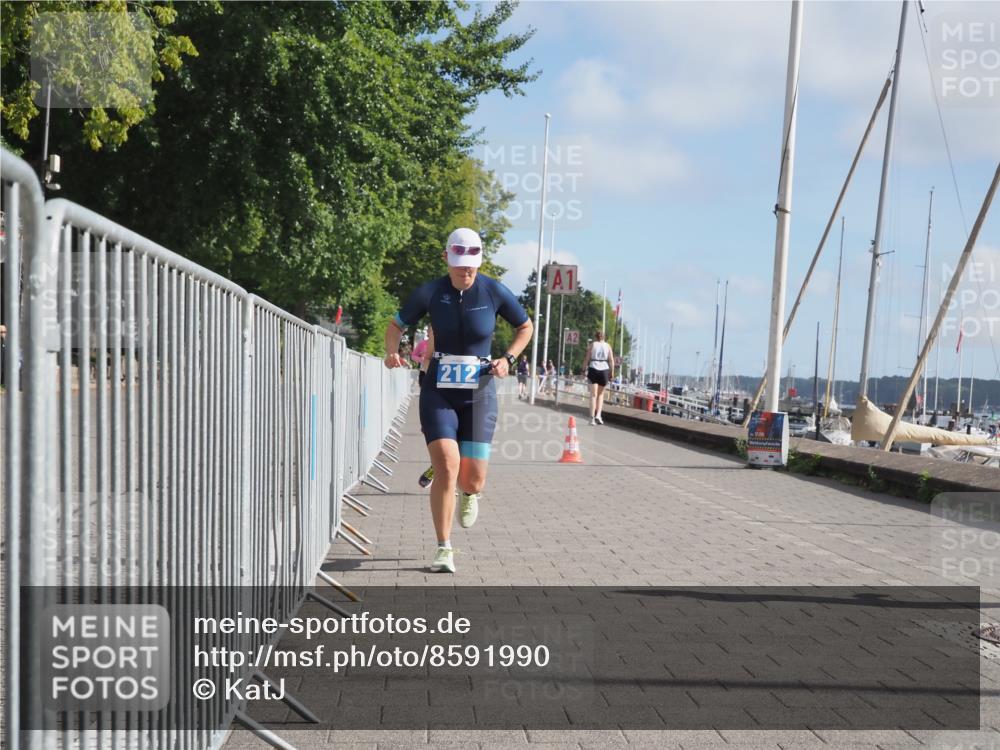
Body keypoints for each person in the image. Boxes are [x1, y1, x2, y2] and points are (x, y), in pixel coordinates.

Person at [384, 227, 533, 573]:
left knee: (472, 478)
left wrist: (508, 359)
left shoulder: (494, 291)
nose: (466, 270)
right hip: (438, 390)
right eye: (459, 263)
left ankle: (469, 493)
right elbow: (395, 325)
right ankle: (443, 548)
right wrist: (392, 352)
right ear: (446, 260)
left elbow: (525, 327)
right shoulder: (431, 292)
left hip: (480, 393)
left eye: (472, 264)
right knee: (448, 467)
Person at [584, 330, 615, 425]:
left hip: (593, 367)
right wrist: (612, 372)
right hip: (604, 369)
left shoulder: (592, 345)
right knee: (600, 395)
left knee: (593, 395)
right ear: (604, 337)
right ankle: (598, 415)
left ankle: (591, 418)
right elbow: (611, 360)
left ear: (596, 336)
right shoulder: (608, 346)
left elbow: (587, 358)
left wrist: (583, 369)